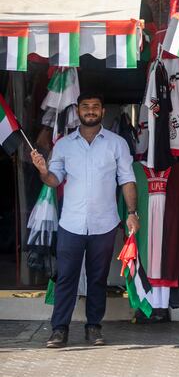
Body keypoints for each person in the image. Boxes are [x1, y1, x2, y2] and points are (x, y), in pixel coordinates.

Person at [30, 92, 139, 348]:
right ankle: (59, 329)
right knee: (66, 277)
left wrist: (132, 213)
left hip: (105, 223)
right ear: (77, 111)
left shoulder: (117, 144)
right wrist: (44, 171)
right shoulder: (64, 145)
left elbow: (127, 180)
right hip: (71, 223)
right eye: (85, 107)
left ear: (102, 111)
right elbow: (53, 180)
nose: (90, 111)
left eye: (95, 107)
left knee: (97, 278)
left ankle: (94, 327)